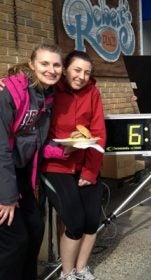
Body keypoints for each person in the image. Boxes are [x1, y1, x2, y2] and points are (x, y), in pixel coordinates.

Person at [41, 50, 106, 280]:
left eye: (87, 72)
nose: (82, 76)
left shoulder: (93, 93)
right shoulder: (50, 90)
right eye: (77, 70)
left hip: (85, 164)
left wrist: (90, 171)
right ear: (66, 69)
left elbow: (98, 134)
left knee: (91, 221)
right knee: (75, 222)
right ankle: (67, 273)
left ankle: (81, 268)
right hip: (55, 166)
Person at [0, 43, 63, 280]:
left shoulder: (46, 96)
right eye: (44, 63)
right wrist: (6, 197)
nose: (51, 69)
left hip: (21, 176)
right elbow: (1, 149)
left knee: (35, 230)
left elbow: (36, 141)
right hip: (4, 176)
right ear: (31, 65)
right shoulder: (10, 91)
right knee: (14, 241)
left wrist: (64, 150)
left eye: (56, 65)